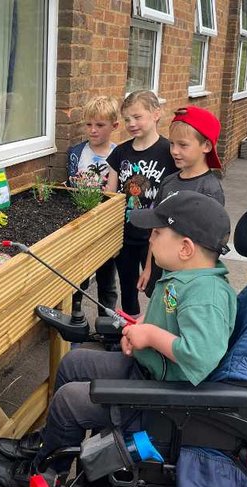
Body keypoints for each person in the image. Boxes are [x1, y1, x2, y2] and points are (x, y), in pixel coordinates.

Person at [0, 191, 237, 487]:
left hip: (164, 400)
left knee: (70, 400)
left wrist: (150, 336)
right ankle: (52, 444)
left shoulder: (207, 295)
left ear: (186, 248)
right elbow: (175, 323)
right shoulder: (186, 279)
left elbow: (200, 356)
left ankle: (45, 476)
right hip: (148, 372)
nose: (150, 239)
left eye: (158, 233)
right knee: (73, 363)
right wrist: (144, 328)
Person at [104, 91, 178, 319]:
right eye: (127, 119)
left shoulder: (169, 153)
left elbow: (176, 195)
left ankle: (163, 327)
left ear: (156, 114)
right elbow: (110, 194)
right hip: (125, 234)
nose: (131, 124)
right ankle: (130, 327)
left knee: (160, 285)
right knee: (128, 286)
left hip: (156, 235)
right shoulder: (120, 152)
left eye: (137, 117)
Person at [139, 106, 225, 298]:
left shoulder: (209, 190)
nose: (174, 151)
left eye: (183, 145)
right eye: (171, 144)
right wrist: (148, 268)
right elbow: (156, 228)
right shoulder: (169, 181)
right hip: (160, 270)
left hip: (187, 280)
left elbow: (209, 244)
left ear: (206, 146)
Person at [67, 95, 120, 312]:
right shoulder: (77, 153)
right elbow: (70, 186)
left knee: (107, 277)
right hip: (81, 223)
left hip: (106, 224)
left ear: (114, 126)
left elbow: (118, 193)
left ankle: (106, 324)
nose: (93, 130)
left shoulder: (119, 154)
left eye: (100, 125)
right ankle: (75, 320)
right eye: (88, 124)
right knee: (78, 277)